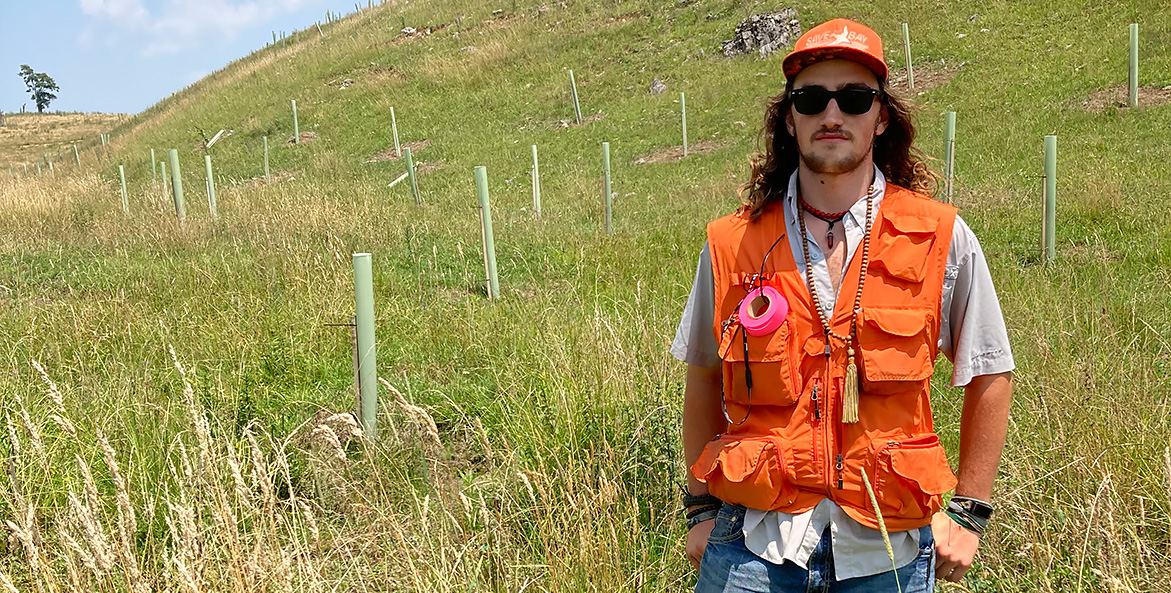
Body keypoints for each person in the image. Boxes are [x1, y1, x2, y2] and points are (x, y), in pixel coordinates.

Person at [672, 18, 1014, 592]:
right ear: (789, 117)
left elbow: (989, 371)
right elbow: (703, 375)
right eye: (812, 98)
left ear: (880, 116)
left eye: (854, 98)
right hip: (752, 544)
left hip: (888, 550)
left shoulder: (941, 236)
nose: (832, 115)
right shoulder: (732, 243)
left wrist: (970, 512)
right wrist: (701, 511)